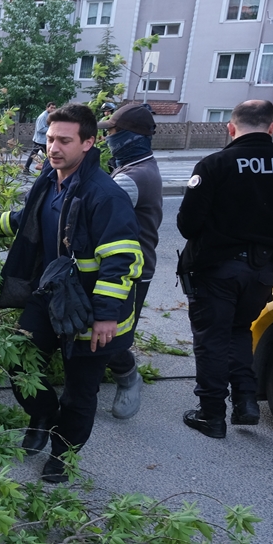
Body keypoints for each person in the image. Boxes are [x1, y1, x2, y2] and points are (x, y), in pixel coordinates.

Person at [0, 104, 142, 483]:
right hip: (50, 294)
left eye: (64, 141)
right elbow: (32, 218)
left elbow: (123, 259)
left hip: (91, 307)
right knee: (20, 359)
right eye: (50, 139)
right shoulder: (50, 177)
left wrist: (106, 314)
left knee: (80, 390)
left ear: (89, 143)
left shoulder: (104, 195)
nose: (52, 148)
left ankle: (63, 453)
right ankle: (41, 413)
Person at [177, 100, 273, 439]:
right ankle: (246, 402)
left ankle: (211, 414)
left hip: (218, 270)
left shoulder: (215, 164)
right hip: (267, 271)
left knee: (212, 339)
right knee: (239, 330)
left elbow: (188, 226)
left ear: (231, 128)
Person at [98, 103, 163, 420]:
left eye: (111, 132)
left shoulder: (133, 178)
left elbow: (93, 217)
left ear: (130, 136)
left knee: (112, 334)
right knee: (97, 328)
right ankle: (94, 377)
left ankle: (128, 378)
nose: (107, 138)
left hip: (130, 271)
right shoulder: (132, 166)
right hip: (120, 266)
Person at [26, 102, 57, 172]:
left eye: (54, 108)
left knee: (37, 154)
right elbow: (40, 129)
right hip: (40, 140)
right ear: (47, 108)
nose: (53, 109)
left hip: (43, 140)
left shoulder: (49, 116)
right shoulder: (43, 116)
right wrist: (52, 129)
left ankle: (26, 168)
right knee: (48, 155)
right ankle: (48, 169)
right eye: (51, 107)